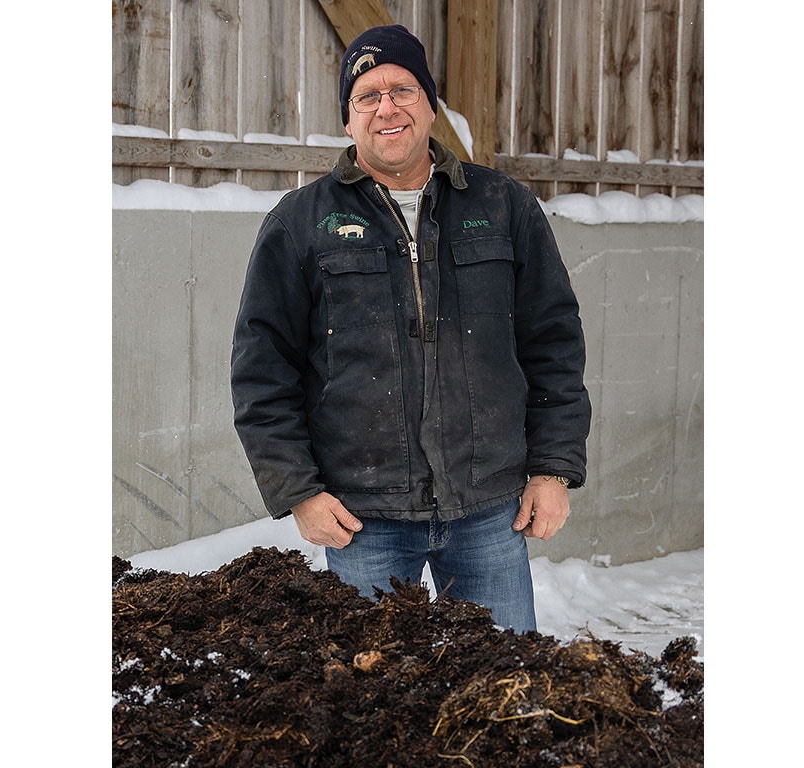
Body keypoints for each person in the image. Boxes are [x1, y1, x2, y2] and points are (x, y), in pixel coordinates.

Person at [230, 24, 590, 632]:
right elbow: (262, 369)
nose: (386, 108)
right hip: (361, 515)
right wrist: (299, 491)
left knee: (501, 691)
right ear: (348, 120)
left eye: (402, 89)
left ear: (429, 104)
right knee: (372, 702)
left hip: (488, 509)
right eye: (367, 96)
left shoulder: (502, 207)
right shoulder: (300, 224)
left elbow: (553, 342)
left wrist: (552, 469)